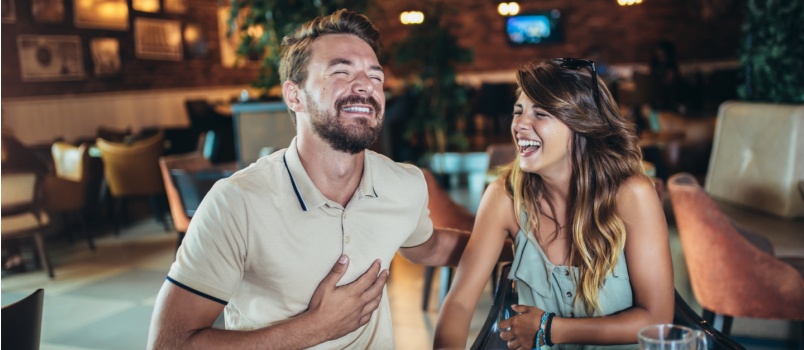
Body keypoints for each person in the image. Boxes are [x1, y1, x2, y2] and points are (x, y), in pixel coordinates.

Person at [148, 9, 469, 349]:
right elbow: (170, 343)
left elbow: (429, 247)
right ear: (294, 95)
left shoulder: (405, 184)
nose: (365, 85)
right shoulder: (236, 202)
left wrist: (518, 248)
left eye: (376, 77)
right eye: (341, 71)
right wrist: (315, 328)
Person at [434, 58, 674, 350]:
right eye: (518, 111)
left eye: (541, 113)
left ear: (581, 123)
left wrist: (550, 329)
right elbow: (459, 303)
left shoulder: (631, 194)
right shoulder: (504, 197)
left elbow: (657, 320)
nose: (520, 124)